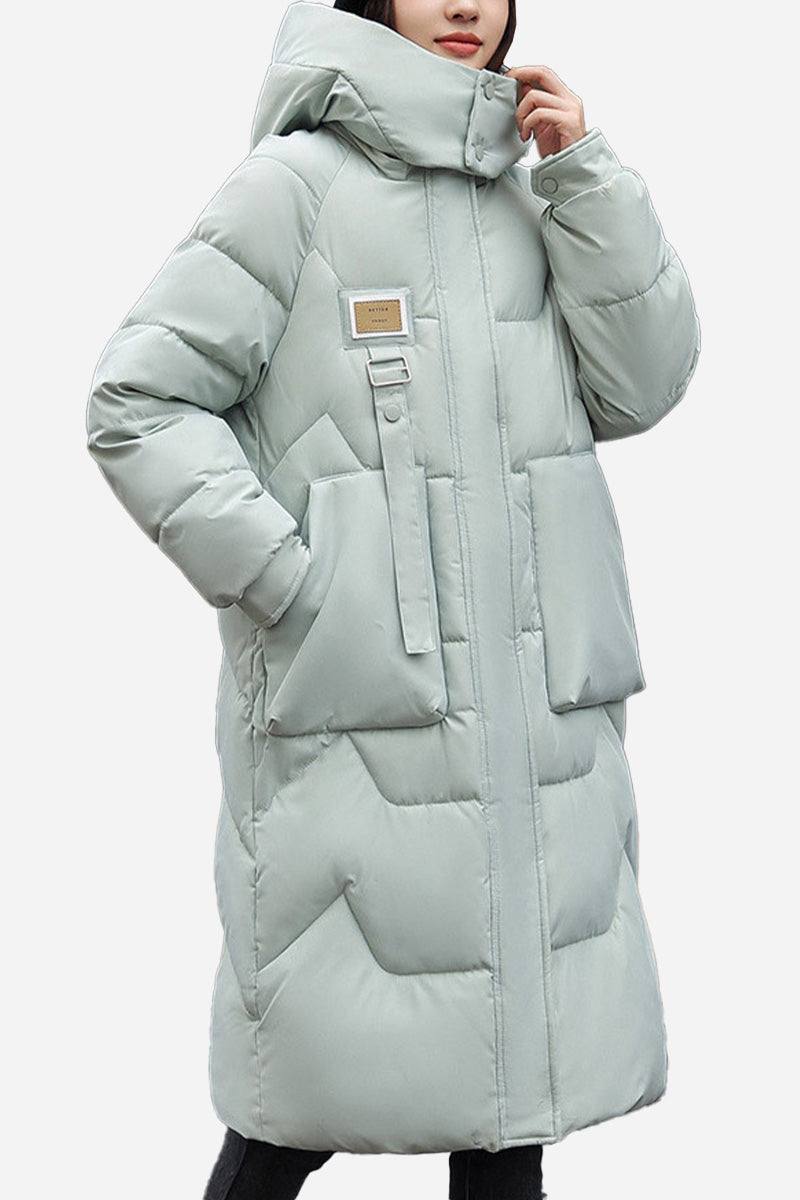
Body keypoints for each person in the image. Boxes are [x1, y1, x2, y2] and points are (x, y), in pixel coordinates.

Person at [85, 1, 701, 1198]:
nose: (463, 5)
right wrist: (292, 580)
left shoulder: (530, 189)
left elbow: (640, 385)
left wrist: (584, 176)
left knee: (509, 1109)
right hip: (364, 724)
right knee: (299, 1098)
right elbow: (138, 399)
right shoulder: (293, 188)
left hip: (535, 733)